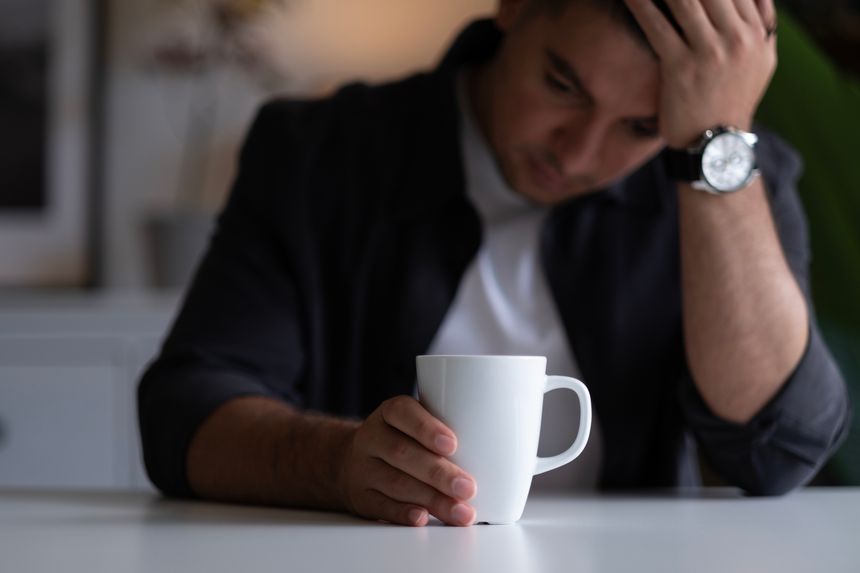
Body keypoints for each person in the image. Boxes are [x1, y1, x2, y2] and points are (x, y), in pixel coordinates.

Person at [138, 0, 851, 527]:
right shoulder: (321, 153)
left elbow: (778, 448)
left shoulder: (726, 180)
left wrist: (714, 155)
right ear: (515, 10)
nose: (576, 154)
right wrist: (340, 463)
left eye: (641, 128)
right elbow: (187, 410)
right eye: (562, 85)